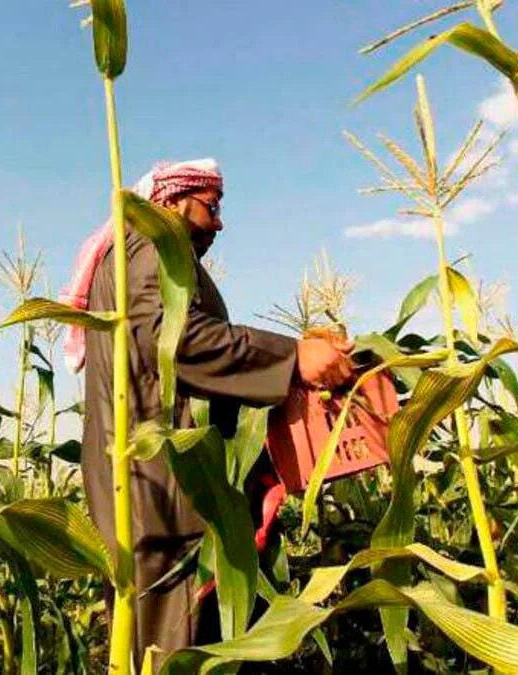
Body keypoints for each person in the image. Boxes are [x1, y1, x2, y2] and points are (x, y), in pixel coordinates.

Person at [61, 158, 354, 666]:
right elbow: (173, 340)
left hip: (155, 477)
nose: (218, 224)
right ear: (172, 203)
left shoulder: (146, 255)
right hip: (163, 481)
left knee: (152, 641)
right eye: (211, 209)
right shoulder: (151, 246)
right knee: (175, 643)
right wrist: (291, 358)